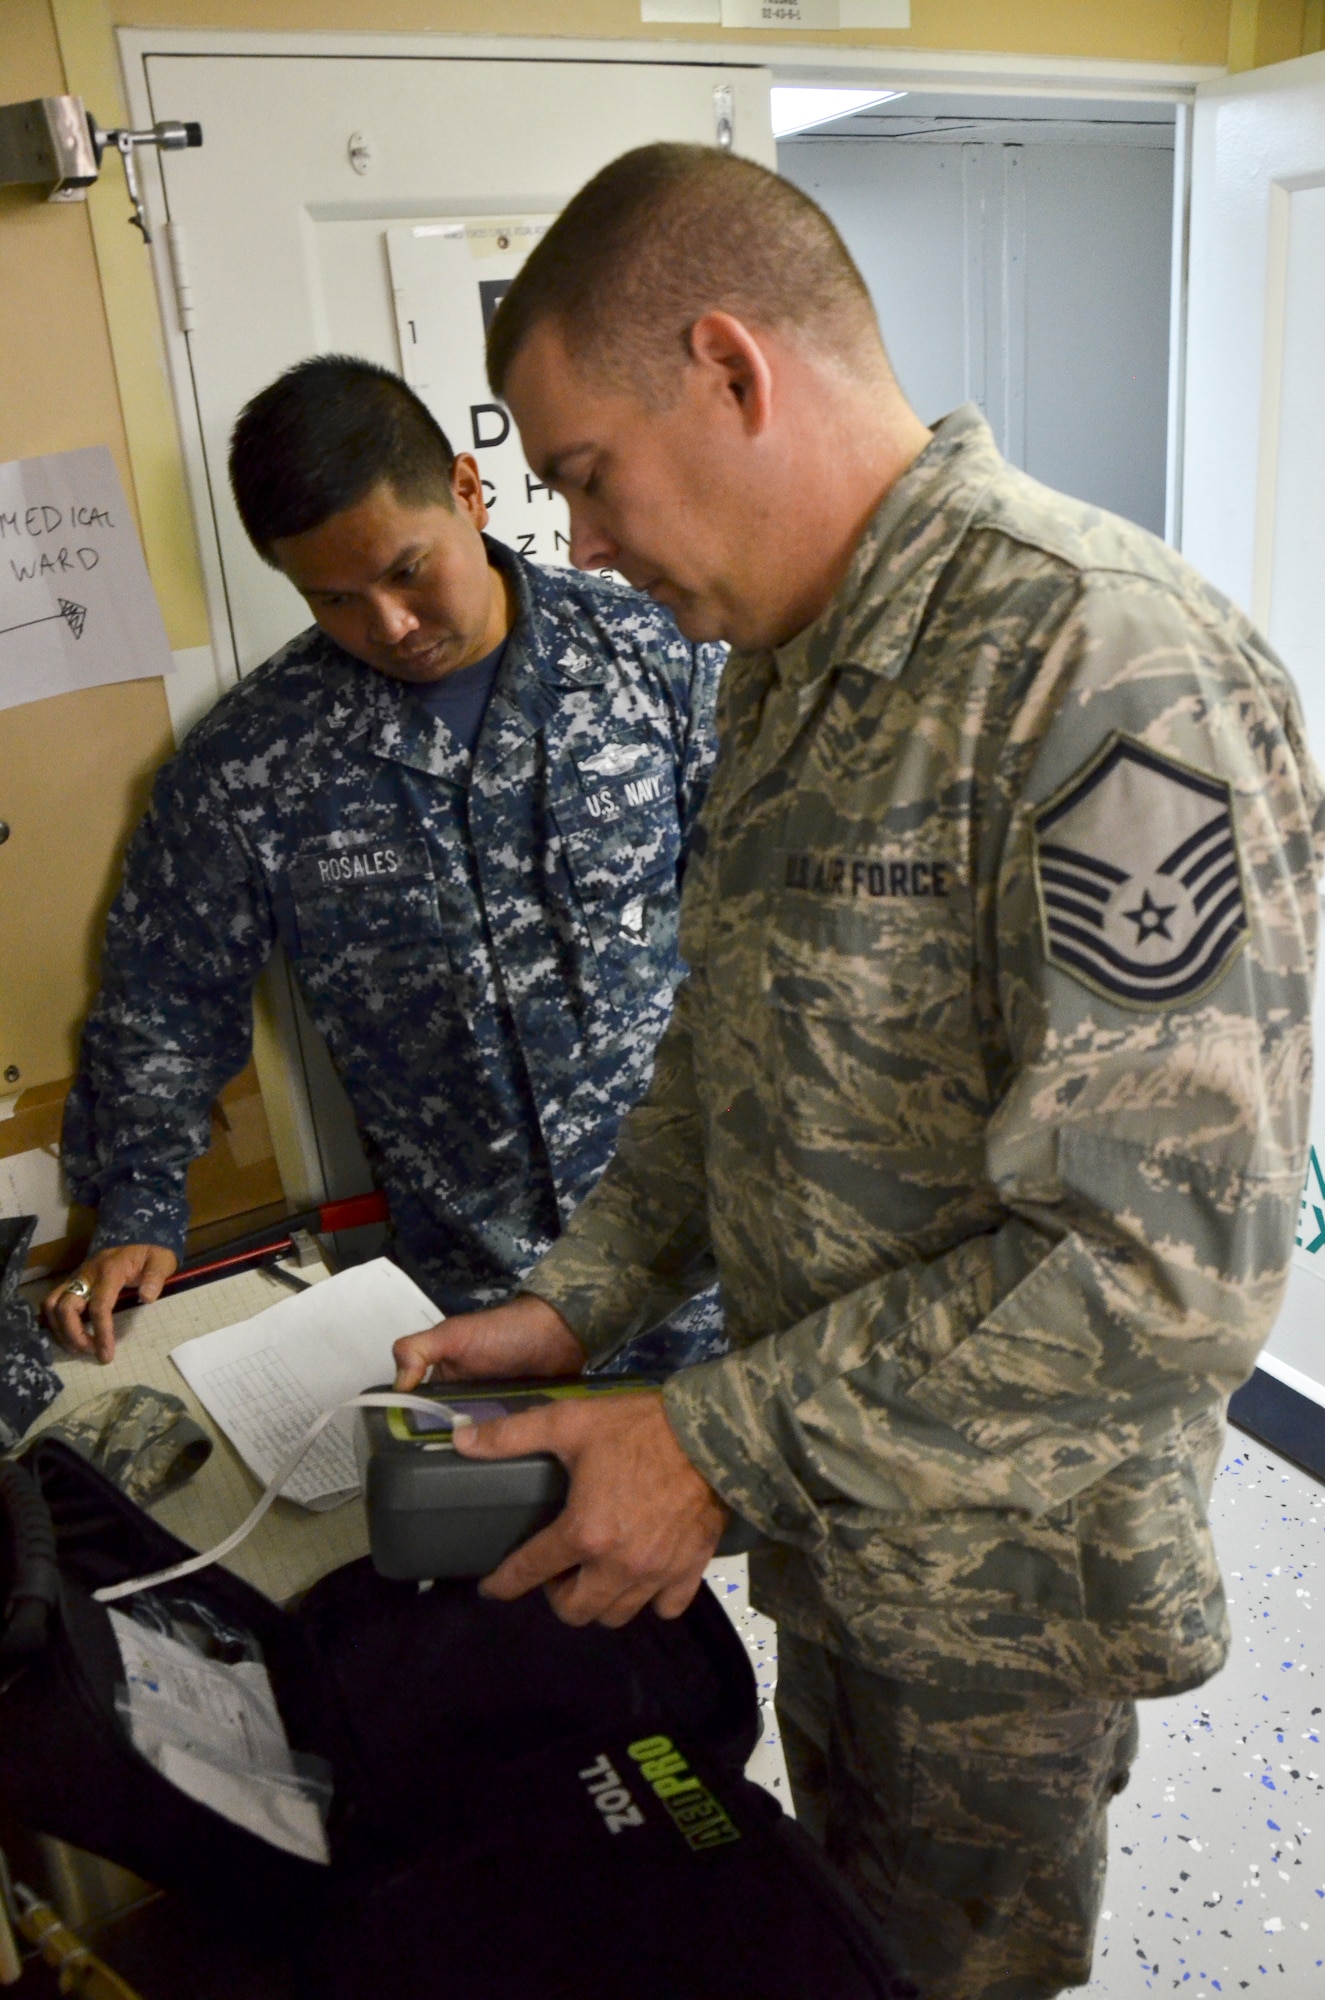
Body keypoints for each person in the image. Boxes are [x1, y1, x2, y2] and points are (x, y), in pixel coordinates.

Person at [393, 146, 1324, 1999]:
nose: (576, 541)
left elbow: (1163, 1266)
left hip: (1000, 1590)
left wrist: (710, 1444)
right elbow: (725, 1049)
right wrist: (585, 1304)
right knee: (838, 1938)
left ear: (733, 371)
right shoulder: (790, 658)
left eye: (586, 473)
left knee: (944, 1971)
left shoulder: (1102, 668)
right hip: (836, 1518)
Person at [46, 355, 725, 1373]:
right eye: (334, 598)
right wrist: (141, 1200)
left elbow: (773, 921)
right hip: (461, 1307)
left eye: (406, 570)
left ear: (465, 487)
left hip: (701, 1272)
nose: (390, 626)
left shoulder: (660, 655)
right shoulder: (256, 762)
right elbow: (167, 990)